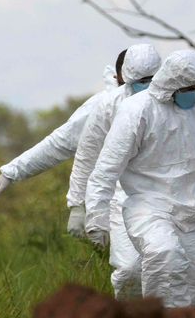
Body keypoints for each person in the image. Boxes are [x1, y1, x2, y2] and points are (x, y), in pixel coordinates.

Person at [85, 49, 195, 307]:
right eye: (189, 87)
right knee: (164, 257)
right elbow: (107, 167)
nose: (193, 92)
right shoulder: (137, 110)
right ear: (172, 82)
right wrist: (96, 217)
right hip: (149, 207)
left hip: (194, 211)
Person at [66, 43, 161, 300]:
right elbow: (87, 157)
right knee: (130, 271)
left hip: (167, 200)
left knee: (166, 271)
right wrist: (79, 206)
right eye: (141, 80)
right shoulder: (110, 106)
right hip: (124, 201)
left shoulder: (172, 103)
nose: (147, 84)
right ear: (125, 77)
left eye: (152, 78)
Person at [0, 51, 126, 201]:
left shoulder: (155, 104)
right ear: (118, 76)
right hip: (112, 204)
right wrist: (12, 171)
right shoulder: (103, 106)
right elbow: (60, 142)